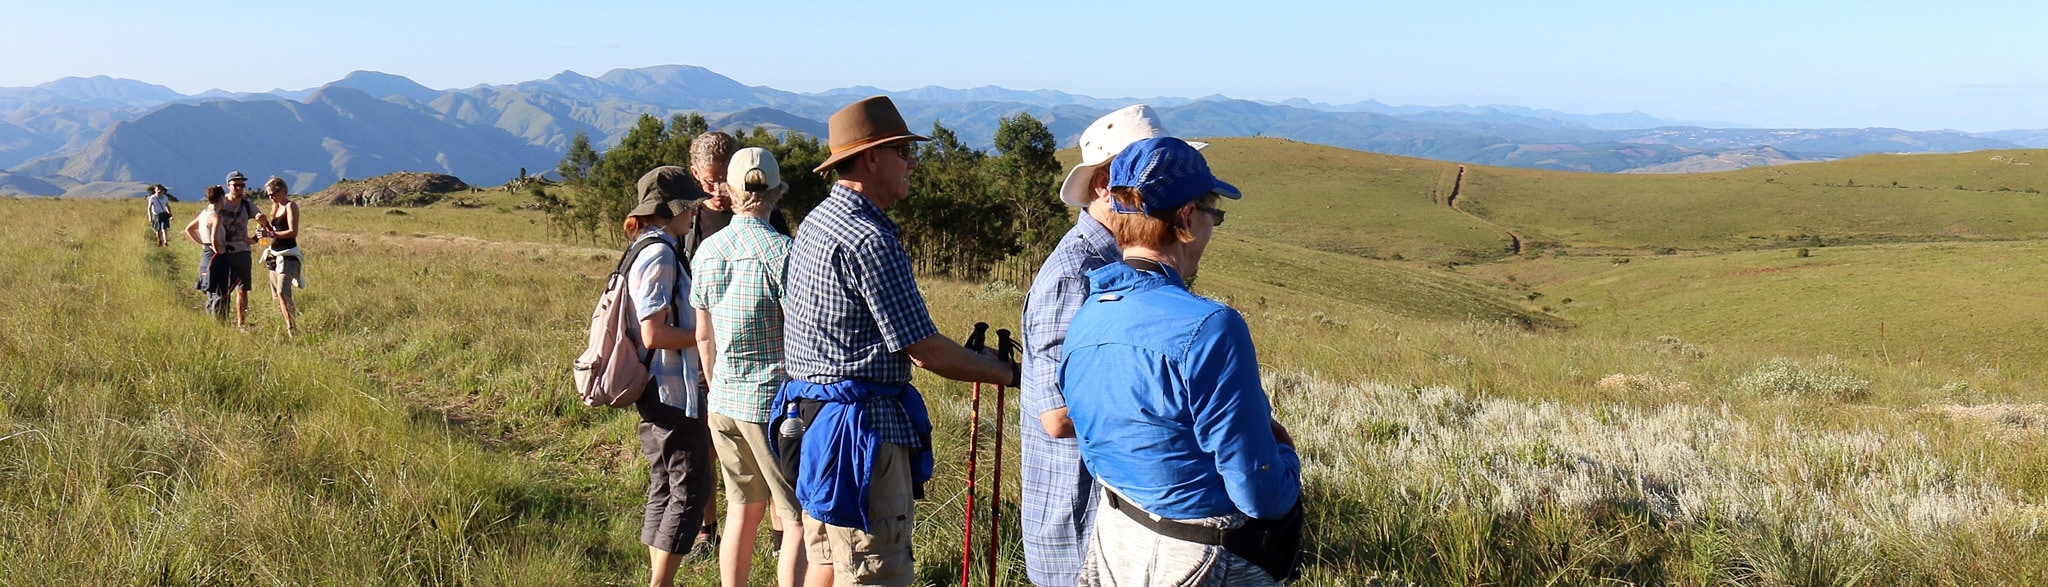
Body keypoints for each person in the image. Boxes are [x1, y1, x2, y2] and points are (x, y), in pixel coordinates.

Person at [776, 95, 1019, 587]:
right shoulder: (870, 238)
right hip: (861, 435)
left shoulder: (817, 222)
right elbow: (923, 351)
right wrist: (1007, 373)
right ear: (871, 157)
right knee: (874, 570)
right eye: (903, 151)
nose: (912, 163)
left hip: (812, 424)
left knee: (826, 559)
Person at [1059, 137, 1300, 586]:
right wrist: (1287, 458)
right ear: (1187, 217)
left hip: (1114, 538)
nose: (1212, 229)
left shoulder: (1089, 313)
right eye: (1214, 215)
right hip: (1200, 557)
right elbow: (1259, 492)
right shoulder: (1211, 327)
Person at [1018, 105, 1207, 587]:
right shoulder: (1072, 274)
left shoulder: (1121, 262)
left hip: (1118, 522)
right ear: (1105, 184)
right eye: (1149, 173)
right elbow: (1056, 417)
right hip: (1079, 522)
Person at [691, 147, 806, 587]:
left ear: (730, 191)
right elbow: (800, 335)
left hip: (722, 400)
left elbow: (704, 336)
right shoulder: (784, 254)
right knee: (794, 517)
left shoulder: (707, 251)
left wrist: (717, 383)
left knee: (741, 510)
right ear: (776, 192)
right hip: (773, 405)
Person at [624, 167, 714, 587]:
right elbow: (654, 332)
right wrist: (706, 334)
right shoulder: (660, 253)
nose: (695, 212)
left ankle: (658, 578)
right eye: (690, 204)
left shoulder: (644, 247)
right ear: (672, 209)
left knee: (663, 487)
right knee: (689, 491)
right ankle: (661, 583)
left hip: (655, 391)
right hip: (673, 391)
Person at [681, 131, 792, 261]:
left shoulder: (768, 215)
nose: (718, 191)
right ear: (695, 173)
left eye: (725, 181)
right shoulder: (684, 220)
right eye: (710, 182)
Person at [212, 171, 263, 326]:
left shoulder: (248, 205)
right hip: (224, 253)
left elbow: (262, 220)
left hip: (242, 252)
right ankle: (221, 322)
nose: (240, 188)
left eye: (242, 185)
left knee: (242, 289)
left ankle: (241, 323)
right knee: (223, 290)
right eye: (236, 185)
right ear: (228, 186)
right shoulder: (220, 204)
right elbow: (206, 221)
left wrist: (256, 235)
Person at [258, 177, 303, 337]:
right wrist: (265, 226)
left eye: (273, 193)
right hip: (274, 255)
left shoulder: (291, 207)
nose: (271, 197)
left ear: (283, 190)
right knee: (279, 295)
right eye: (268, 195)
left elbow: (292, 232)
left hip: (288, 255)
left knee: (283, 292)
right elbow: (274, 233)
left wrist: (269, 232)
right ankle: (289, 326)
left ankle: (292, 329)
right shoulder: (275, 207)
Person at [184, 185, 226, 296]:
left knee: (209, 290)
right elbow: (214, 238)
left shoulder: (204, 213)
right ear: (222, 197)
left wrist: (203, 244)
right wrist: (218, 250)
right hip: (216, 254)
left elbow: (189, 229)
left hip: (207, 253)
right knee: (220, 292)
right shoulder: (216, 216)